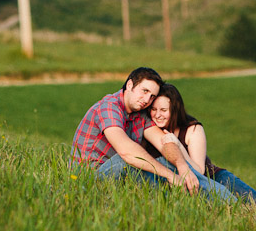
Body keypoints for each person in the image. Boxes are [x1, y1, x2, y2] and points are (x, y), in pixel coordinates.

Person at [70, 67, 234, 203]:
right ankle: (219, 201)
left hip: (118, 177)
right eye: (144, 91)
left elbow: (164, 142)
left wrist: (182, 166)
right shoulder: (109, 107)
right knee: (134, 160)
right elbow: (126, 151)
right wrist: (170, 175)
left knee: (168, 160)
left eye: (152, 96)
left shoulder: (139, 114)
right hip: (88, 180)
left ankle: (227, 203)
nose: (147, 100)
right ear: (129, 85)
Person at [143, 83, 256, 209]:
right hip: (178, 180)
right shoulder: (149, 128)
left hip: (211, 177)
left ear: (175, 109)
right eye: (153, 109)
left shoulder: (193, 129)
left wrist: (178, 146)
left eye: (164, 110)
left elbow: (200, 171)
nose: (158, 115)